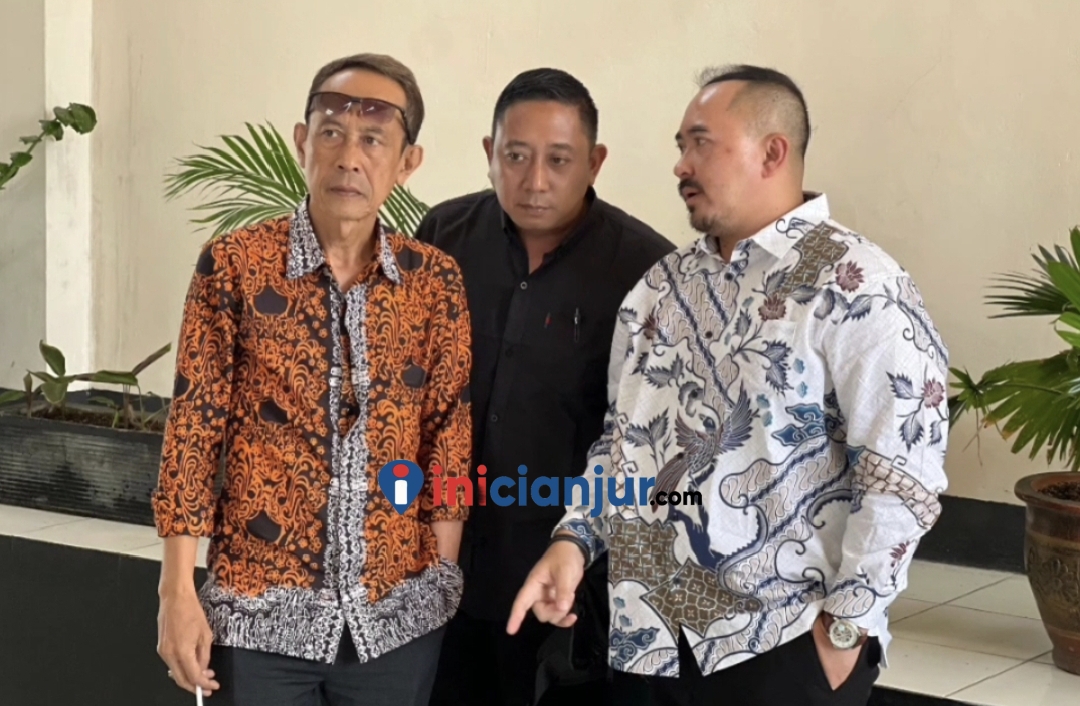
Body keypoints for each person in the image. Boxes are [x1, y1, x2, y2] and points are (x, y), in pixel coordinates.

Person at [508, 64, 950, 706]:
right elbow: (622, 444)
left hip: (781, 645)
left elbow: (903, 476)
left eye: (700, 143)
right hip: (647, 641)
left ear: (772, 152)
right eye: (680, 146)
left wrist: (845, 630)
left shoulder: (859, 286)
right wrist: (573, 542)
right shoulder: (660, 287)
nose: (681, 164)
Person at [152, 52, 473, 706]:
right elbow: (193, 430)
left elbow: (449, 433)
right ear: (303, 142)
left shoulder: (434, 281)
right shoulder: (235, 265)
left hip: (395, 621)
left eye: (373, 140)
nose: (349, 158)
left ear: (407, 162)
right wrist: (176, 593)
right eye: (332, 133)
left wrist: (440, 573)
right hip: (258, 617)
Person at [415, 68, 676, 706]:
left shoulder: (647, 270)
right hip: (437, 562)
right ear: (489, 153)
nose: (535, 181)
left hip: (567, 578)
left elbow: (647, 436)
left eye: (559, 160)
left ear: (595, 162)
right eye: (516, 156)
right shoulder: (442, 237)